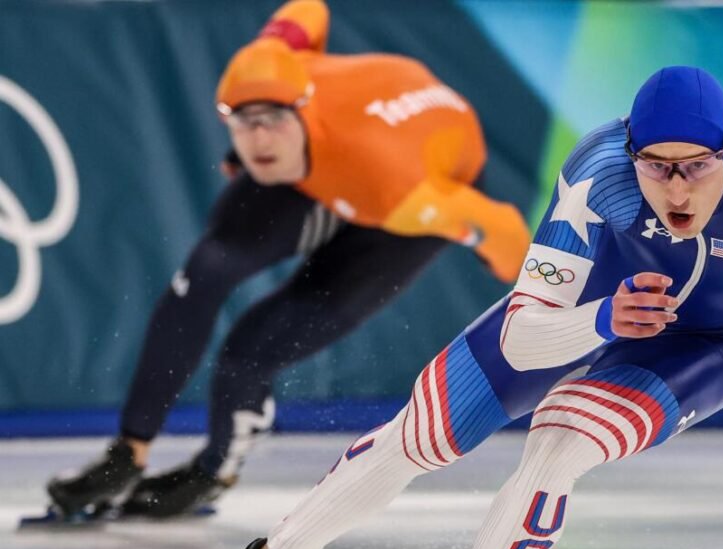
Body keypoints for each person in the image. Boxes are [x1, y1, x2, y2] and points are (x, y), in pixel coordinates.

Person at [224, 65, 723, 549]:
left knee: (559, 440)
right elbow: (524, 337)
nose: (676, 188)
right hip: (594, 305)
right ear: (630, 153)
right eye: (656, 167)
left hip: (714, 344)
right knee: (418, 436)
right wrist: (603, 320)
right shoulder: (601, 174)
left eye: (696, 167)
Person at [45, 0, 530, 520]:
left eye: (272, 120)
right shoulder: (271, 59)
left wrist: (516, 276)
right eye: (242, 121)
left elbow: (506, 231)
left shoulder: (402, 192)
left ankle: (212, 472)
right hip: (329, 159)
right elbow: (309, 8)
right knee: (205, 273)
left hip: (406, 186)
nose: (257, 140)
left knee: (249, 351)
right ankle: (128, 453)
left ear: (301, 110)